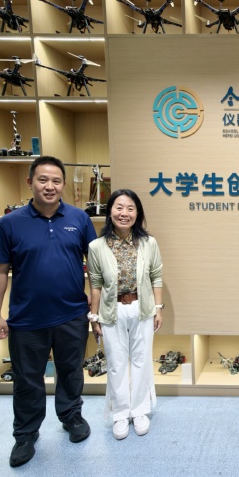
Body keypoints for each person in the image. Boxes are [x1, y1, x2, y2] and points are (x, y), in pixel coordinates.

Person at [0, 155, 97, 468]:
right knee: (27, 379)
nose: (50, 186)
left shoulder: (79, 218)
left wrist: (95, 302)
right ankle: (25, 433)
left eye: (56, 181)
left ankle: (71, 416)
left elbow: (96, 266)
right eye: (43, 180)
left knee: (71, 371)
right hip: (27, 319)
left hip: (72, 314)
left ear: (63, 185)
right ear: (30, 182)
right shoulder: (9, 224)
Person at [87, 189, 163, 440]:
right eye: (119, 207)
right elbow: (95, 284)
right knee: (116, 364)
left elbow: (156, 276)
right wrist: (94, 317)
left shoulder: (148, 243)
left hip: (142, 308)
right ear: (110, 211)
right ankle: (120, 413)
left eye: (130, 208)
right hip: (112, 310)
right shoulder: (96, 247)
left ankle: (139, 411)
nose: (124, 213)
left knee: (141, 361)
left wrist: (158, 308)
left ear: (137, 213)